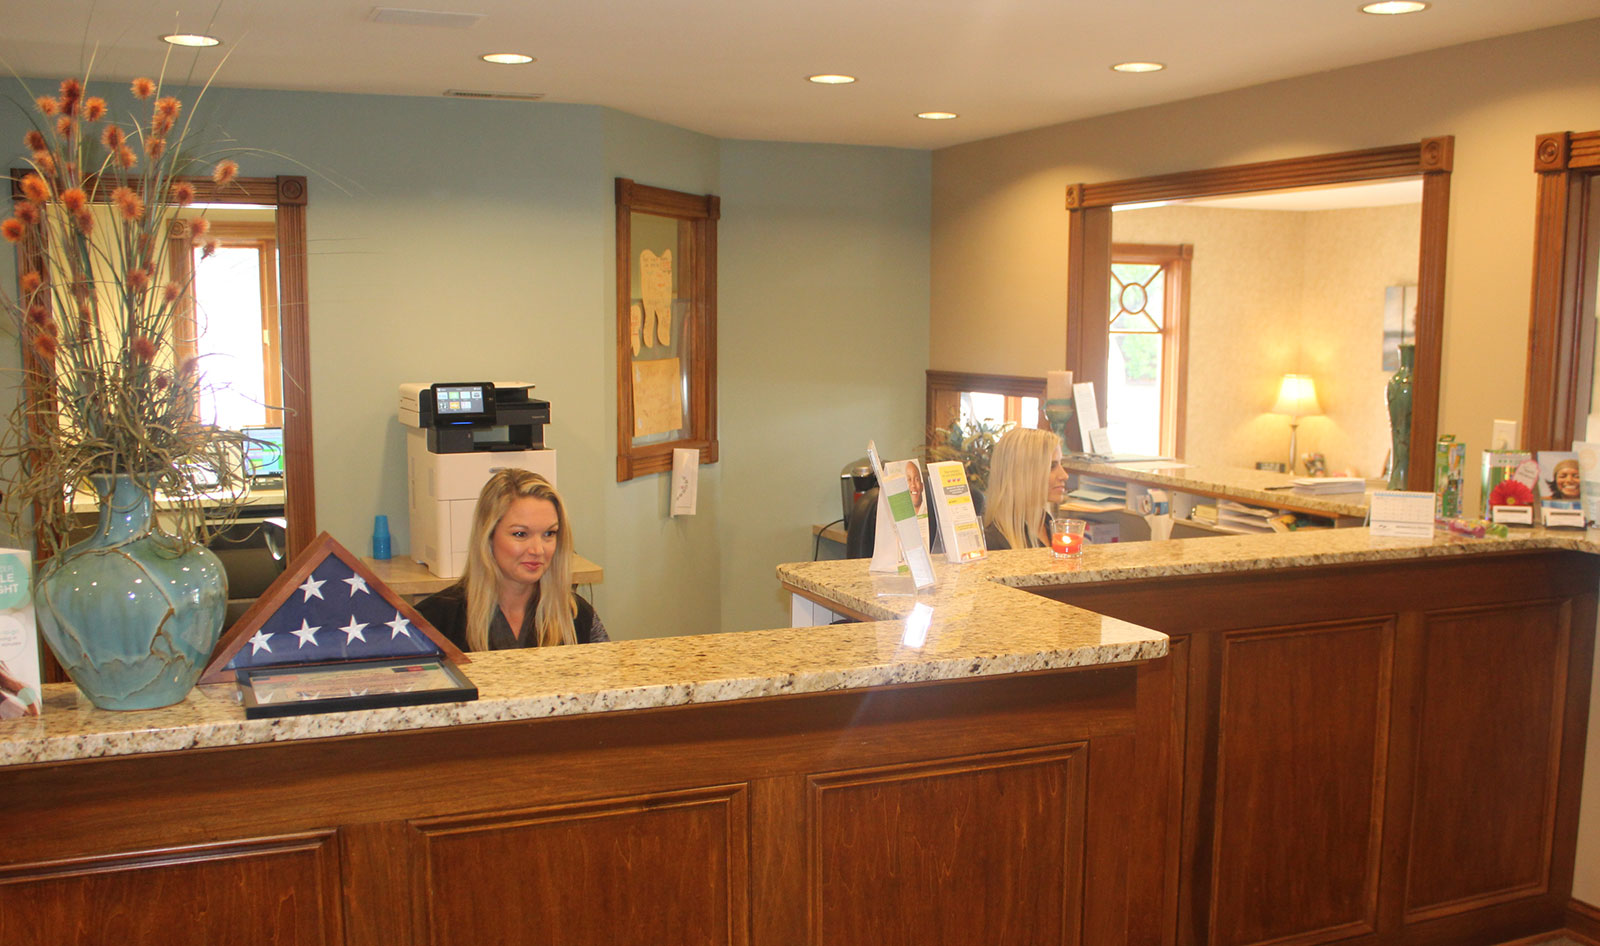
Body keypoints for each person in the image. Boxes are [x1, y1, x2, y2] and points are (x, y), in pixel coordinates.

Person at [416, 469, 609, 651]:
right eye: (520, 534)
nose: (538, 550)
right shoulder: (434, 622)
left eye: (549, 533)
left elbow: (609, 682)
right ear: (488, 536)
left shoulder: (577, 617)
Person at [982, 427, 1069, 550]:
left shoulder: (1047, 524)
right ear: (1022, 474)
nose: (1064, 476)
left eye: (1061, 464)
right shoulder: (994, 543)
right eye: (1051, 467)